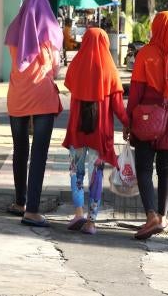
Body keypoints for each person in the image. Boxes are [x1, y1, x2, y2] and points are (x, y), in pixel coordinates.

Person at [123, 11, 168, 240]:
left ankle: (151, 215)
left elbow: (135, 93)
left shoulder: (144, 54)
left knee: (144, 169)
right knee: (165, 168)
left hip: (147, 117)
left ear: (155, 27)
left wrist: (128, 121)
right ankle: (163, 216)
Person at [62, 27, 129, 235]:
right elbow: (118, 106)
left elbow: (70, 86)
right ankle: (92, 222)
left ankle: (78, 212)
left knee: (76, 172)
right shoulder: (109, 68)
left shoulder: (76, 64)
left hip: (77, 131)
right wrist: (129, 124)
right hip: (100, 134)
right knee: (96, 176)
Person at [5, 0, 63, 227]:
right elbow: (56, 70)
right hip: (42, 97)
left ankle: (20, 201)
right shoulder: (50, 34)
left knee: (20, 150)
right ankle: (32, 210)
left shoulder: (14, 31)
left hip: (17, 96)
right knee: (39, 153)